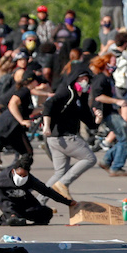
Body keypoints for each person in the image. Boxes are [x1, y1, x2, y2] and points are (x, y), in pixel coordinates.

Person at [41, 64, 101, 200]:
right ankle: (63, 184)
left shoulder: (81, 98)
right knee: (90, 158)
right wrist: (46, 125)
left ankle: (38, 202)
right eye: (81, 79)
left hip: (59, 139)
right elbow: (48, 105)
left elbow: (89, 122)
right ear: (75, 79)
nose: (85, 82)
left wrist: (97, 119)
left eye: (87, 79)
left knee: (60, 172)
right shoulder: (66, 92)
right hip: (62, 137)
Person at [0, 160, 76, 227]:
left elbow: (47, 191)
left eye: (24, 176)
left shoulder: (30, 180)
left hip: (21, 201)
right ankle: (11, 216)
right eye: (20, 175)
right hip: (6, 201)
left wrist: (68, 202)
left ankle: (12, 218)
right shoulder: (0, 180)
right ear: (13, 172)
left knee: (46, 213)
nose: (22, 178)